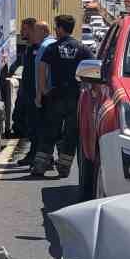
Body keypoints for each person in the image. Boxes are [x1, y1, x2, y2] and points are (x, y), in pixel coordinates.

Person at [32, 14, 84, 178]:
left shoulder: (52, 48)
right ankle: (64, 167)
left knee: (49, 131)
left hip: (55, 95)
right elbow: (93, 70)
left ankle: (40, 166)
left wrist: (42, 91)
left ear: (61, 29)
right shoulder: (82, 48)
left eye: (56, 27)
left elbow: (42, 69)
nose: (55, 30)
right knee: (71, 134)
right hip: (75, 97)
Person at [20, 20, 55, 167]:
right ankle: (38, 155)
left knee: (38, 127)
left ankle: (40, 156)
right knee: (33, 126)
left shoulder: (43, 48)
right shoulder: (32, 48)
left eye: (33, 31)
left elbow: (42, 73)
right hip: (31, 92)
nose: (30, 34)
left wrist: (39, 94)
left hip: (37, 93)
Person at [10, 16, 38, 146]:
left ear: (32, 29)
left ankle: (35, 153)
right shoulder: (30, 47)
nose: (21, 32)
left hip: (34, 91)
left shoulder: (38, 49)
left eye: (24, 29)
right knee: (21, 118)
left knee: (33, 123)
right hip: (27, 90)